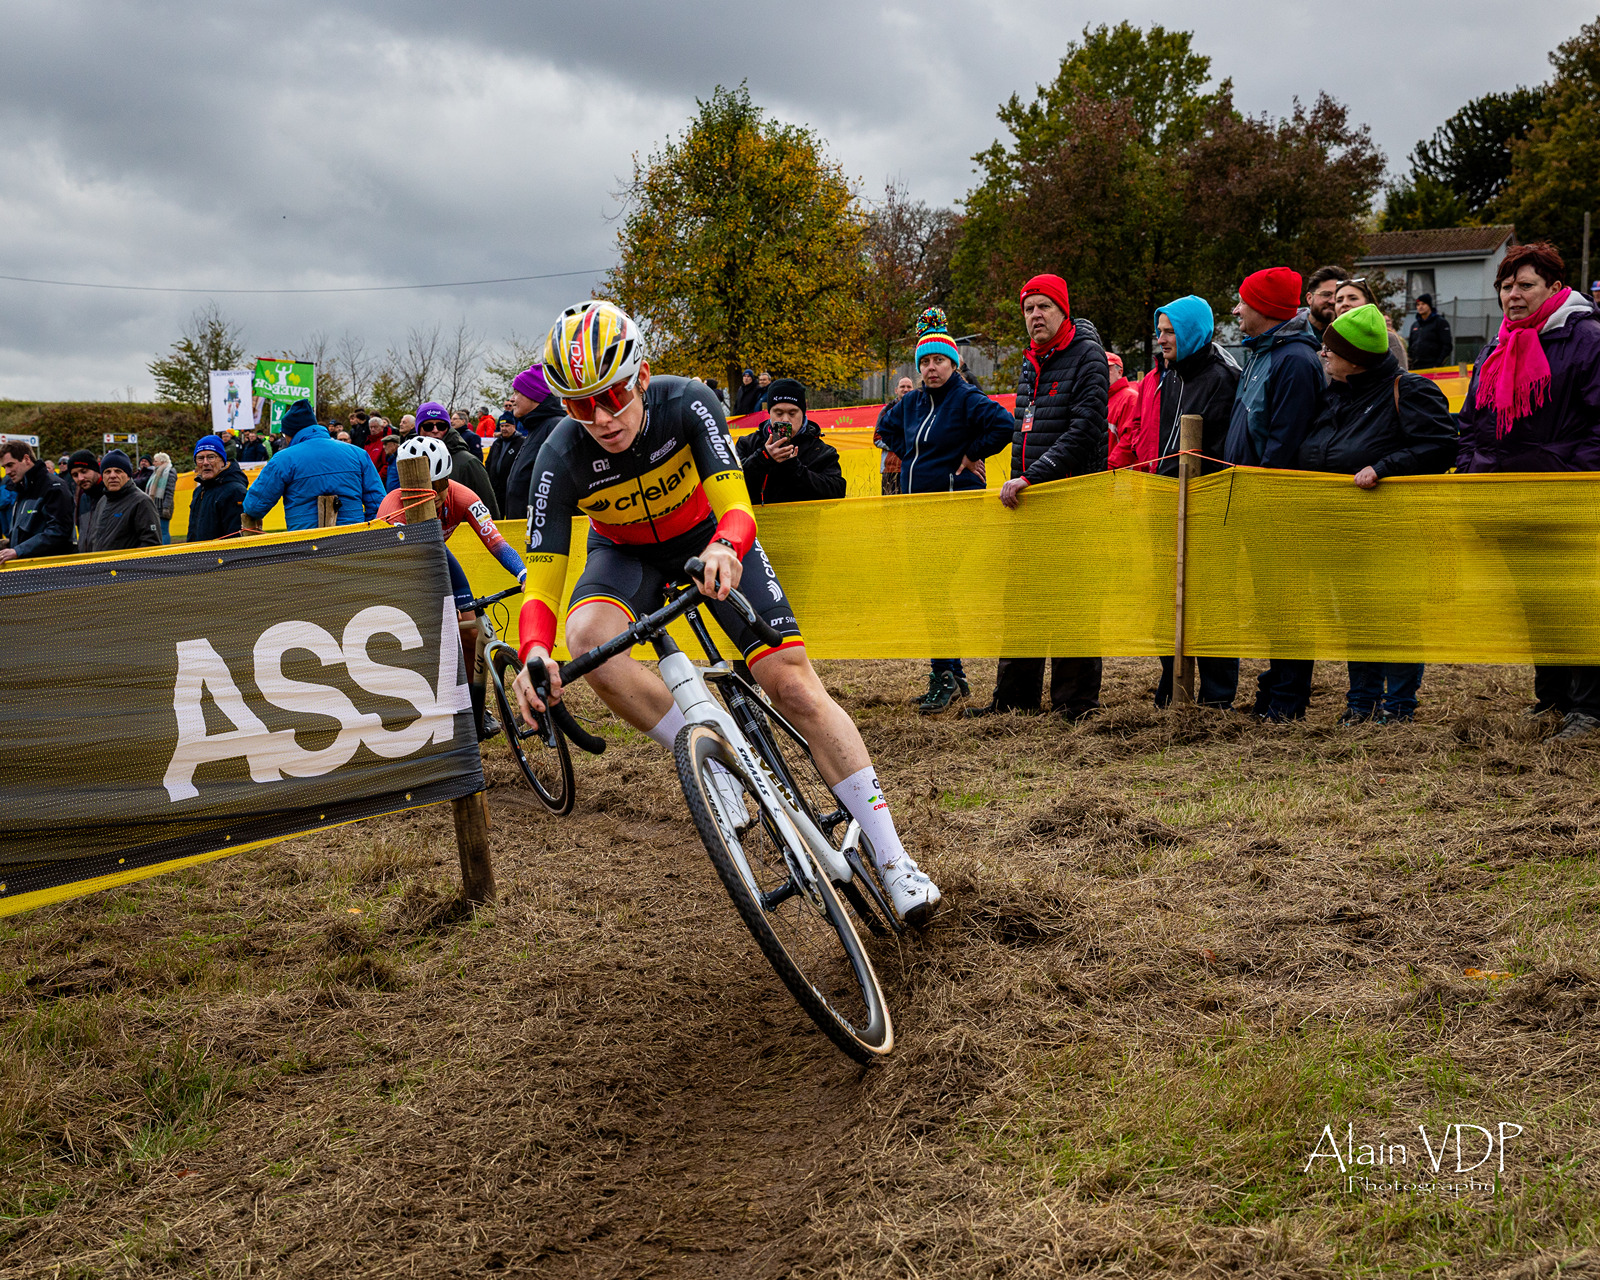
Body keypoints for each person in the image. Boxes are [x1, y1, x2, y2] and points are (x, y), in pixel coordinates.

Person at [510, 300, 942, 925]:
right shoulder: (559, 455)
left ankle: (894, 858)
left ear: (640, 375)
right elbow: (543, 576)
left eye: (611, 396)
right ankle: (711, 754)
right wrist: (532, 651)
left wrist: (726, 547)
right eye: (579, 405)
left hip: (709, 537)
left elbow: (738, 507)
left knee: (793, 685)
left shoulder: (686, 401)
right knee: (585, 639)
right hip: (625, 555)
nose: (601, 418)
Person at [1455, 242, 1600, 739]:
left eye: (1525, 285)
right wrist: (1470, 466)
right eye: (1506, 285)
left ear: (1556, 288)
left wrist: (1564, 470)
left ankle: (1589, 706)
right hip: (1505, 494)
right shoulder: (1498, 344)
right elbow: (1473, 420)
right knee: (1535, 602)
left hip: (1565, 495)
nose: (1512, 295)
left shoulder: (1587, 339)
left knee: (1577, 600)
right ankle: (1553, 698)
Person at [1297, 304, 1457, 724]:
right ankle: (1361, 702)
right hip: (1342, 533)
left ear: (1356, 358)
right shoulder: (1333, 393)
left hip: (1392, 532)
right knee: (1356, 616)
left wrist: (1384, 468)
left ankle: (1399, 705)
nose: (1323, 354)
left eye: (1331, 349)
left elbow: (1440, 447)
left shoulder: (1410, 390)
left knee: (1396, 616)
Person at [970, 275, 1110, 722]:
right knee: (1024, 602)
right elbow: (1023, 429)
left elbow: (1086, 426)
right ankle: (1014, 700)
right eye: (1029, 309)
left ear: (1063, 311)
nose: (1035, 316)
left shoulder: (1088, 357)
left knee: (1072, 603)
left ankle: (1075, 704)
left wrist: (1035, 476)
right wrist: (1020, 481)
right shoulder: (1032, 363)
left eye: (1044, 307)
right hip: (1029, 506)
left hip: (1071, 503)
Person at [877, 308, 1016, 715]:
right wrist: (910, 455)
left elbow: (1004, 425)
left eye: (938, 360)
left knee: (935, 589)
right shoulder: (915, 402)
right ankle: (952, 676)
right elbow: (883, 427)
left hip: (954, 509)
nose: (931, 368)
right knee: (930, 591)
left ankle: (946, 677)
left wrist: (971, 453)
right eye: (924, 361)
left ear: (953, 363)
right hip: (918, 509)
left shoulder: (966, 397)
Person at [1119, 295, 1243, 707]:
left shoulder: (1221, 378)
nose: (1161, 339)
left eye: (1170, 331)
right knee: (1164, 599)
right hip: (1164, 499)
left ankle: (1216, 695)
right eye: (1160, 331)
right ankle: (1174, 681)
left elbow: (1220, 448)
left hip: (1205, 506)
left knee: (1209, 602)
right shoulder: (1164, 375)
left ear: (1192, 332)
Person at [1223, 266, 1327, 721]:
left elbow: (1284, 441)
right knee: (1270, 603)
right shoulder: (1264, 354)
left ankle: (1287, 698)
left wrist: (1263, 492)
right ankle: (1275, 687)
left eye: (1243, 301)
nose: (1236, 309)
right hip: (1252, 497)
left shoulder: (1296, 362)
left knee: (1286, 603)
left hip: (1276, 506)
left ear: (1264, 308)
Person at [377, 435, 526, 740]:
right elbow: (404, 561)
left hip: (436, 558)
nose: (431, 497)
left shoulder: (464, 497)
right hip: (401, 568)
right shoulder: (391, 507)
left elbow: (496, 542)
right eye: (420, 490)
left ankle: (474, 710)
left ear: (448, 480)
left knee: (471, 633)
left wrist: (523, 573)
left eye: (438, 488)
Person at [241, 399, 384, 531]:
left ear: (290, 433)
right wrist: (364, 529)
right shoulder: (358, 454)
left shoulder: (283, 459)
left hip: (305, 545)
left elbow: (254, 506)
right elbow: (378, 503)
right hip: (353, 541)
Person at [735, 379, 846, 504]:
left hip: (803, 522)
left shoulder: (821, 451)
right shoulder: (747, 444)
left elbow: (837, 491)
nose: (785, 420)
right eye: (779, 413)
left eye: (792, 413)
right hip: (757, 522)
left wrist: (795, 469)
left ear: (803, 413)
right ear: (769, 413)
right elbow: (731, 485)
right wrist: (762, 458)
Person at [501, 364, 566, 521]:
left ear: (535, 394)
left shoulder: (556, 428)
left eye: (517, 392)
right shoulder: (536, 428)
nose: (512, 399)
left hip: (544, 535)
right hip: (523, 533)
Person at [418, 401, 499, 516]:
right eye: (428, 426)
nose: (435, 430)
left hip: (462, 531)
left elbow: (489, 510)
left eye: (441, 426)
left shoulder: (469, 462)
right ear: (418, 429)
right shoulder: (411, 461)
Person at [0, 439, 75, 562]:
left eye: (10, 465)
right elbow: (31, 531)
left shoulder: (53, 487)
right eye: (4, 467)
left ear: (26, 459)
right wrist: (8, 544)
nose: (7, 472)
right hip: (30, 570)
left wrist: (18, 550)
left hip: (50, 572)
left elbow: (59, 531)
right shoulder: (22, 489)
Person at [78, 449, 161, 553]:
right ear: (103, 477)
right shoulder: (102, 501)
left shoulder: (142, 502)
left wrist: (127, 567)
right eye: (107, 472)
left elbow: (151, 544)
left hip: (126, 568)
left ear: (128, 475)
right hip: (101, 567)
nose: (112, 476)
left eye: (118, 471)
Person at [1334, 279, 1408, 369]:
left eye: (1353, 298)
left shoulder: (1389, 340)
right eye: (1339, 300)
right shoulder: (1327, 347)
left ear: (1369, 304)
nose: (1344, 304)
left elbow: (1400, 380)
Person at [188, 435, 248, 540]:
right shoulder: (198, 491)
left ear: (222, 461)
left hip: (220, 556)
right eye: (200, 458)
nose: (205, 463)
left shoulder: (235, 492)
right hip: (198, 555)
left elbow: (237, 540)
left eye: (211, 457)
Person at [874, 375, 914, 495]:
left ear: (913, 390)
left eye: (909, 387)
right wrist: (902, 446)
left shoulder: (920, 408)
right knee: (889, 510)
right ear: (896, 390)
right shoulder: (886, 411)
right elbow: (877, 439)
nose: (906, 389)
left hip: (914, 468)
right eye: (902, 386)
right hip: (891, 470)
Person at [485, 411, 527, 513]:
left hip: (512, 490)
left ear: (514, 426)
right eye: (502, 426)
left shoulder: (521, 442)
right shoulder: (497, 443)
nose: (504, 429)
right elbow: (489, 462)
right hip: (496, 490)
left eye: (507, 426)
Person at [65, 449, 104, 547]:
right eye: (75, 475)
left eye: (84, 471)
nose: (80, 478)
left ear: (95, 469)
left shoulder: (112, 495)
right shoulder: (83, 498)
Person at [1407, 293, 1455, 369]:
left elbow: (1447, 346)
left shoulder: (1440, 322)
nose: (1420, 307)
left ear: (1429, 305)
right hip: (1416, 367)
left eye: (1423, 304)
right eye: (1418, 305)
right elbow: (1410, 346)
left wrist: (1437, 364)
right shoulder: (1415, 325)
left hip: (1432, 367)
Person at [1303, 266, 1348, 343]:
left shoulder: (1348, 336)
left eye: (1339, 296)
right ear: (1309, 298)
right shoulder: (1289, 330)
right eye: (1326, 294)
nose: (1333, 301)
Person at [1106, 353, 1137, 457]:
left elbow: (1129, 441)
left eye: (1108, 368)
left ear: (1120, 372)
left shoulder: (1130, 398)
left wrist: (1109, 468)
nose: (1103, 372)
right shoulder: (1098, 397)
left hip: (1118, 470)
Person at [145, 451, 178, 543]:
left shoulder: (170, 472)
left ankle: (165, 552)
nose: (153, 463)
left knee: (163, 531)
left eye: (156, 461)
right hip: (156, 505)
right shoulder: (156, 472)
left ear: (162, 462)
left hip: (163, 506)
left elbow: (169, 492)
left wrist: (166, 508)